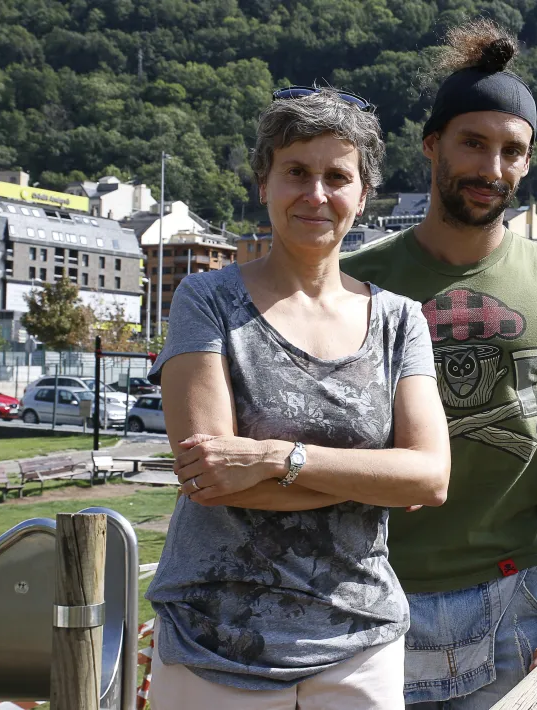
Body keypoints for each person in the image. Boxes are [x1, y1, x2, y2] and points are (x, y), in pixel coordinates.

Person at [342, 19, 537, 708]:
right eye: (473, 143)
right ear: (432, 143)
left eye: (512, 151)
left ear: (528, 161)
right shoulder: (354, 281)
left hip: (513, 597)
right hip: (375, 591)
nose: (491, 169)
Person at [143, 87, 451, 710]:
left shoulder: (397, 322)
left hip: (360, 646)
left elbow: (431, 477)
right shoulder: (207, 303)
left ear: (363, 196)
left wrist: (280, 459)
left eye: (337, 176)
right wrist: (377, 477)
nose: (316, 194)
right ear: (265, 184)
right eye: (296, 173)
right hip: (214, 648)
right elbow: (212, 478)